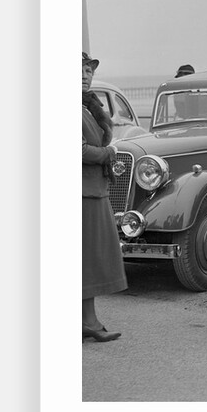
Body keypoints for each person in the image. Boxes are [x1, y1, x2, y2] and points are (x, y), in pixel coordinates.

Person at [82, 52, 128, 342]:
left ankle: (88, 322)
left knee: (89, 260)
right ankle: (89, 323)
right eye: (79, 69)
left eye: (88, 70)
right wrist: (108, 153)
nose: (86, 74)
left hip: (93, 189)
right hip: (82, 192)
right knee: (88, 259)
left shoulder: (87, 106)